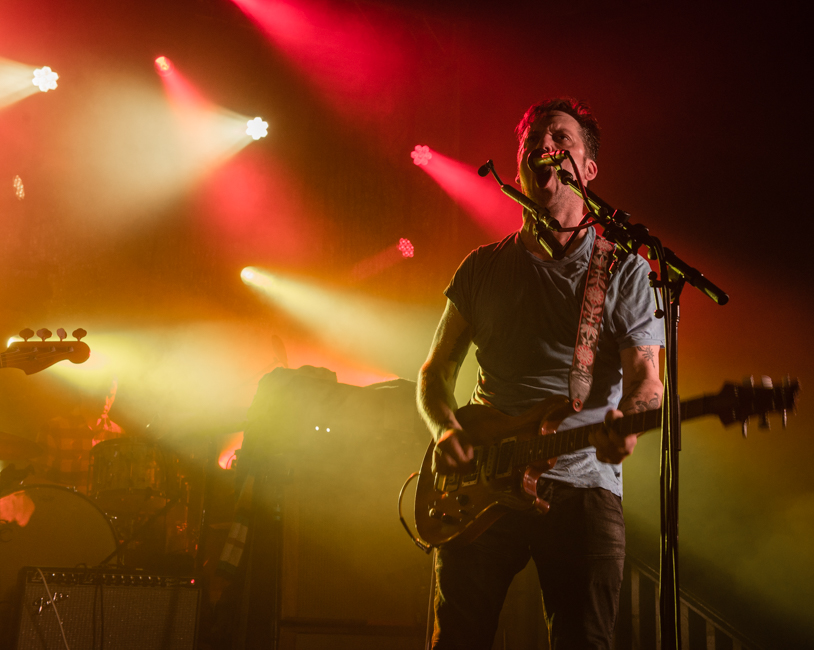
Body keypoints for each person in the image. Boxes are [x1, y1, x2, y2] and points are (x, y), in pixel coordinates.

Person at [417, 98, 664, 649]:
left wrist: (633, 419)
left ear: (589, 170)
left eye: (561, 140)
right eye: (534, 143)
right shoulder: (482, 267)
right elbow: (435, 371)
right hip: (482, 480)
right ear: (521, 164)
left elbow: (648, 381)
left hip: (583, 486)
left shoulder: (622, 269)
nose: (545, 148)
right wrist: (445, 430)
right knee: (457, 638)